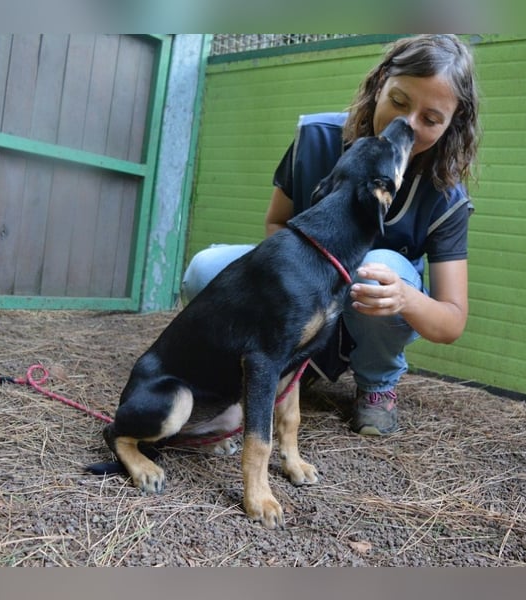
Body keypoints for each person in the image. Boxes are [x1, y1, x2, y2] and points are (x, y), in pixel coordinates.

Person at [182, 34, 480, 435]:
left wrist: (406, 297)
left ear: (452, 124)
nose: (405, 124)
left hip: (369, 305)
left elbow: (452, 321)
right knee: (205, 269)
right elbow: (276, 225)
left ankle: (376, 384)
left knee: (375, 267)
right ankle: (266, 360)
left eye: (430, 119)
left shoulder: (446, 195)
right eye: (399, 101)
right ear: (379, 85)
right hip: (306, 289)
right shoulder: (316, 137)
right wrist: (302, 307)